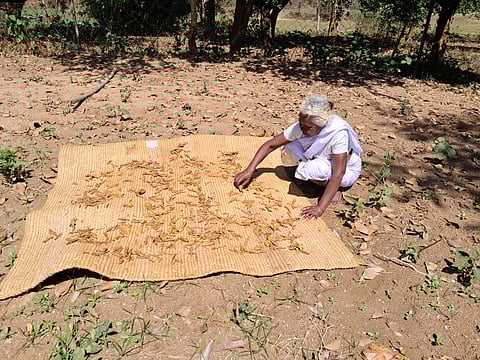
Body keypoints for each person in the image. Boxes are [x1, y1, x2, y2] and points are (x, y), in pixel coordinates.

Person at [234, 94, 363, 219]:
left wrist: (320, 208)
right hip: (323, 160)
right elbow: (270, 145)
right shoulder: (303, 126)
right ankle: (324, 184)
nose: (302, 129)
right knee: (292, 143)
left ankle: (336, 188)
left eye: (307, 127)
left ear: (321, 125)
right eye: (300, 124)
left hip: (346, 170)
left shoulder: (338, 133)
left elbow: (338, 173)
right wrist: (250, 170)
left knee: (313, 169)